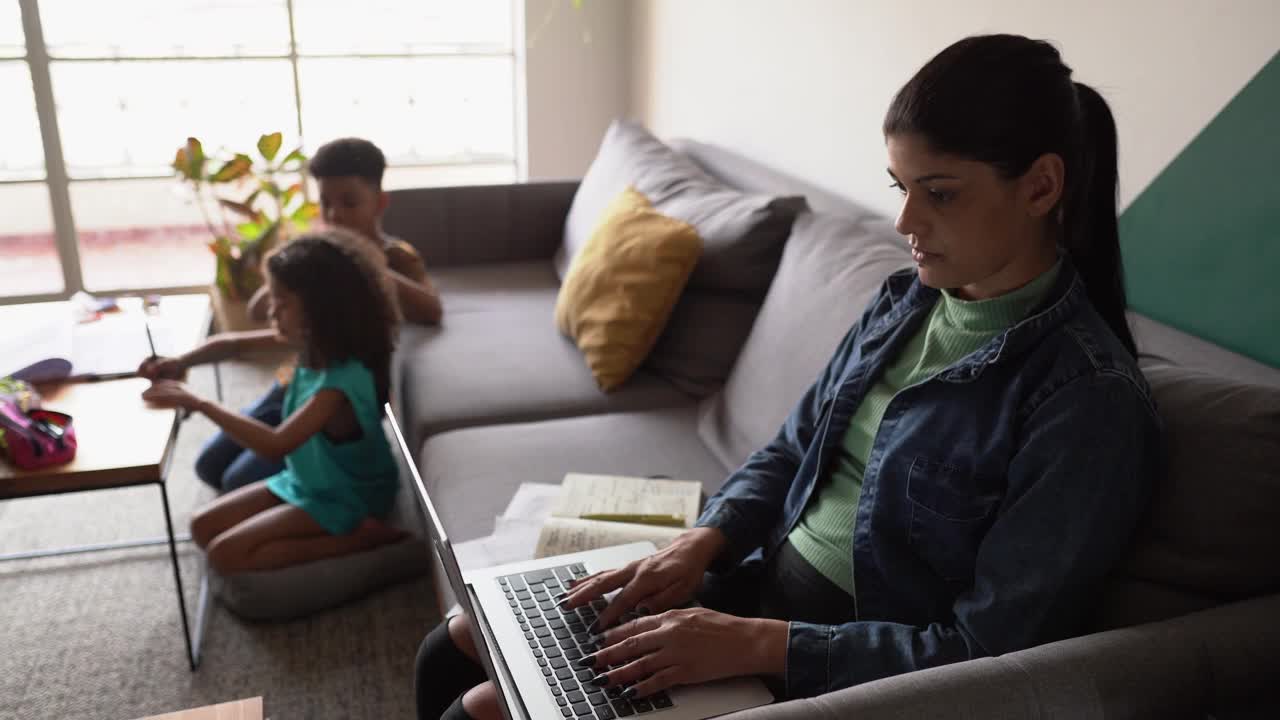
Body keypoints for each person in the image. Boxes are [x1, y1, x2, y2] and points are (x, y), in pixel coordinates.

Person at [413, 33, 1163, 720]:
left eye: (938, 193)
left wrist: (752, 645)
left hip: (850, 674)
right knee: (455, 641)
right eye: (898, 186)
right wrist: (699, 543)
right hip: (752, 588)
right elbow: (791, 447)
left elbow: (987, 650)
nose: (904, 223)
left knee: (481, 710)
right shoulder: (905, 303)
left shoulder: (1086, 400)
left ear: (1040, 188)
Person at [147, 137, 442, 494]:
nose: (335, 215)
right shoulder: (319, 257)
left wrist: (368, 261)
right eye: (325, 203)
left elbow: (432, 309)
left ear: (379, 203)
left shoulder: (396, 257)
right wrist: (298, 262)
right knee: (208, 466)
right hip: (294, 384)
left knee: (234, 481)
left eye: (349, 203)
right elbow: (258, 312)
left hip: (333, 405)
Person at [141, 230, 406, 573]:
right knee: (201, 527)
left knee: (225, 554)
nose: (271, 310)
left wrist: (200, 403)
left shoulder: (340, 382)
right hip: (308, 481)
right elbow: (233, 343)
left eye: (282, 302)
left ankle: (360, 539)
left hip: (350, 496)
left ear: (317, 312)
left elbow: (275, 445)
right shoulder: (315, 346)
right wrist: (181, 362)